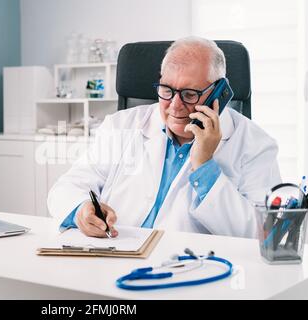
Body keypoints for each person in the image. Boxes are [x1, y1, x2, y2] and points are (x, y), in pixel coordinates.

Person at [47, 36, 281, 239]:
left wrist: (205, 166)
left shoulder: (256, 145)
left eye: (190, 94)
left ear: (218, 93)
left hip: (191, 270)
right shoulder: (120, 126)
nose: (175, 106)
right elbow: (66, 187)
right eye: (167, 91)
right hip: (113, 257)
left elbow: (263, 232)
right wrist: (80, 209)